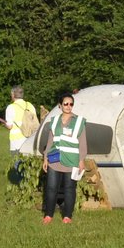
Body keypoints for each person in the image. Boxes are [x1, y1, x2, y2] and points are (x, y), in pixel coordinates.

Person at [41, 92, 88, 224]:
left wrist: (81, 160)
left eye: (71, 104)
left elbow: (82, 142)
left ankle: (67, 216)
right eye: (66, 104)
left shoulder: (79, 121)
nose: (68, 106)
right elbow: (50, 140)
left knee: (69, 188)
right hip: (54, 159)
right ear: (60, 105)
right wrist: (45, 158)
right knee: (51, 187)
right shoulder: (54, 120)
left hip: (72, 160)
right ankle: (48, 215)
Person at [5, 85, 38, 154]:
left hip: (17, 142)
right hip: (30, 140)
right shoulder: (30, 105)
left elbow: (9, 126)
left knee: (17, 163)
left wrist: (5, 124)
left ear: (13, 94)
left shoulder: (11, 107)